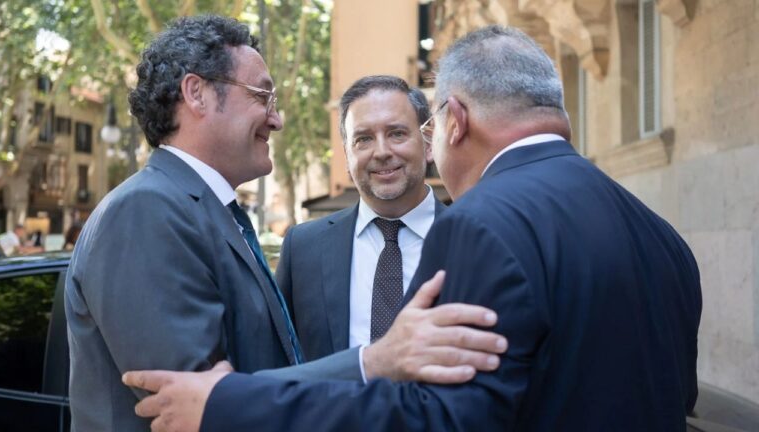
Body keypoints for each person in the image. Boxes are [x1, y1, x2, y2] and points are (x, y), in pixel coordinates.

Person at [124, 24, 702, 432]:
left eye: (406, 132)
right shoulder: (663, 238)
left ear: (453, 122)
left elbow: (435, 417)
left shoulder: (480, 227)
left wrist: (230, 405)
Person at [66, 16, 506, 431]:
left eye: (397, 133)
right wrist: (374, 362)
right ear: (197, 93)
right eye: (262, 96)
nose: (276, 119)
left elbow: (238, 391)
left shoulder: (207, 212)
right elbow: (199, 406)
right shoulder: (145, 210)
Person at [278, 75, 446, 361]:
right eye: (363, 139)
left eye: (397, 134)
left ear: (428, 143)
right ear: (347, 155)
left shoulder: (474, 239)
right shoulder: (303, 248)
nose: (381, 152)